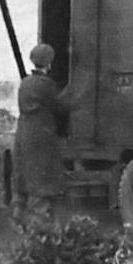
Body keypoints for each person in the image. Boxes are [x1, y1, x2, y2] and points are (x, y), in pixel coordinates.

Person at [12, 43, 79, 225]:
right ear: (48, 63)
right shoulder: (46, 85)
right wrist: (73, 93)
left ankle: (19, 218)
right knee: (42, 184)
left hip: (24, 134)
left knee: (25, 176)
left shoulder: (25, 83)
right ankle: (39, 231)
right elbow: (61, 107)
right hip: (41, 138)